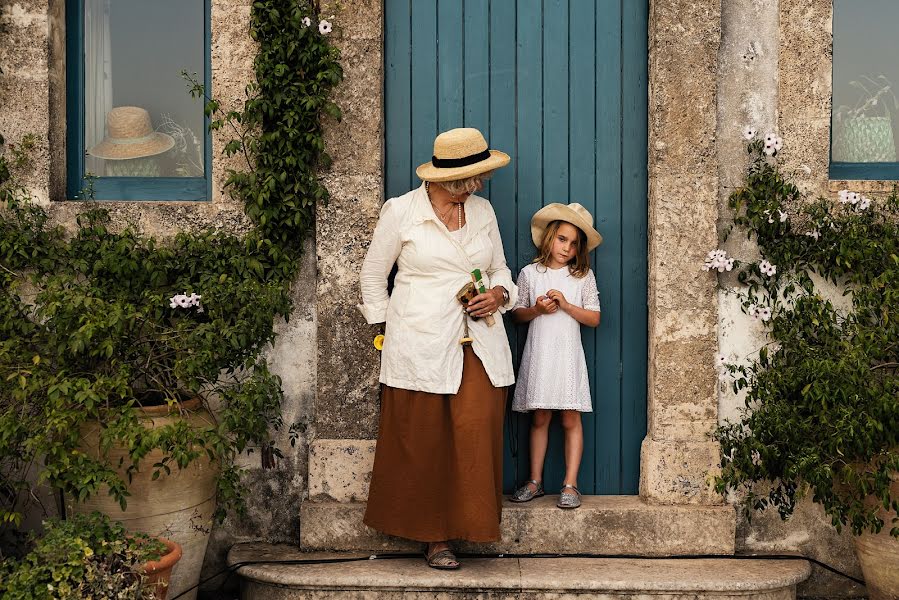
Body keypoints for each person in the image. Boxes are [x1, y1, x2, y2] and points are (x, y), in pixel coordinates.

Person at [357, 127, 517, 569]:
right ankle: (434, 538)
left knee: (474, 430)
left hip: (479, 340)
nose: (479, 185)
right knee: (424, 437)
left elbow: (500, 267)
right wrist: (392, 330)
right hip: (420, 343)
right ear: (448, 179)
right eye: (473, 178)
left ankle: (471, 524)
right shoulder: (402, 212)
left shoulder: (482, 212)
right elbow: (373, 278)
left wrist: (500, 295)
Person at [508, 203, 602, 509]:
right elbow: (518, 315)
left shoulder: (582, 276)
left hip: (567, 356)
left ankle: (570, 484)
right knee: (540, 417)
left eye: (574, 244)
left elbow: (594, 318)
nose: (567, 248)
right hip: (540, 355)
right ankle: (535, 481)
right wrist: (537, 309)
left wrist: (565, 305)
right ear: (549, 237)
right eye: (562, 239)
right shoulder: (529, 274)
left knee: (571, 418)